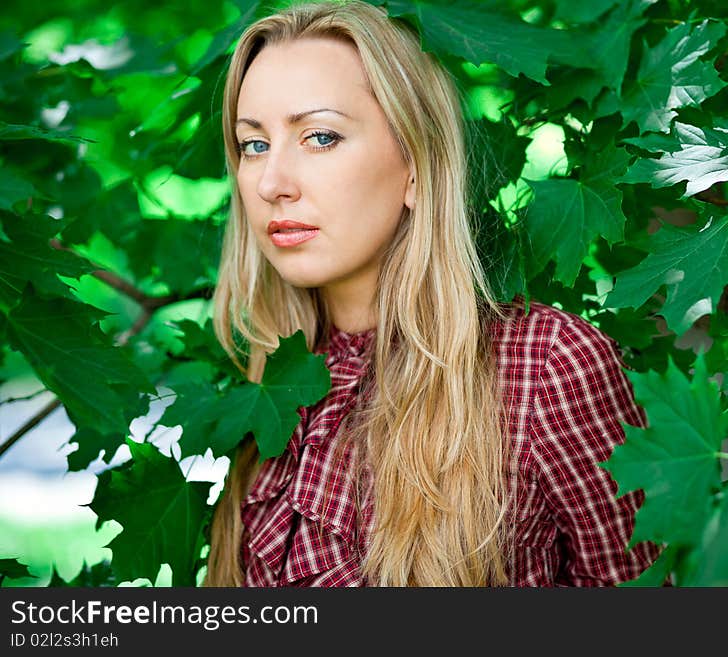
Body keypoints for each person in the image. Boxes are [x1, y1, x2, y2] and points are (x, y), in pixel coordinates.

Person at [203, 0, 660, 587]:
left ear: (416, 165)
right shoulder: (265, 372)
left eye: (319, 137)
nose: (271, 184)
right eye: (254, 144)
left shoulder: (544, 365)